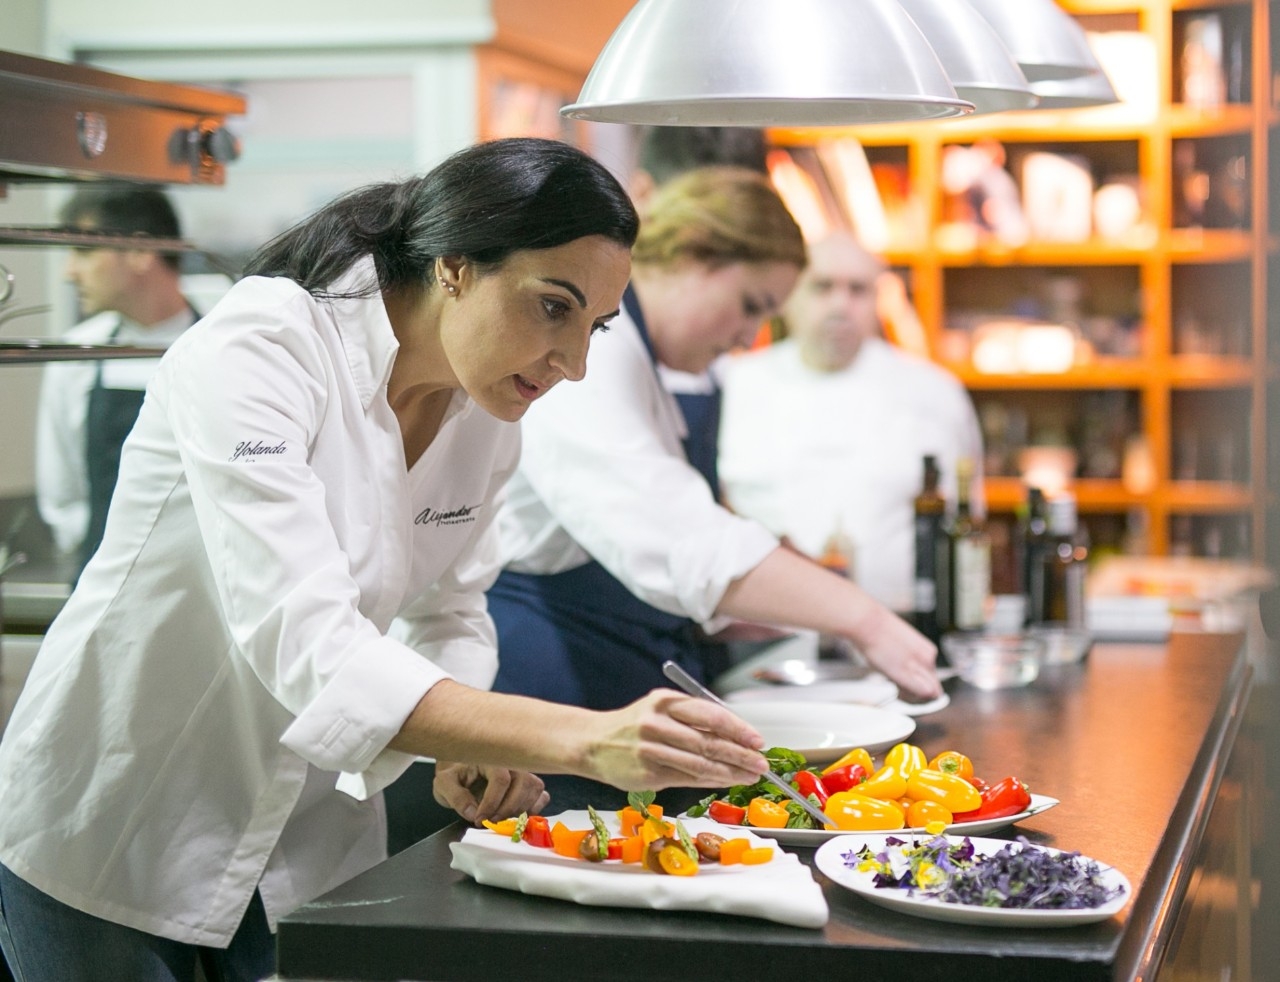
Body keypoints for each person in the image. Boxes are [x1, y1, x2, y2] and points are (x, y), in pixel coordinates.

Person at [0, 138, 771, 982]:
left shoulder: (488, 412)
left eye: (595, 327)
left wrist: (465, 743)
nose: (575, 365)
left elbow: (449, 609)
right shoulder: (262, 348)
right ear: (454, 264)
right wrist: (582, 739)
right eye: (554, 307)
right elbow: (312, 650)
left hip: (305, 839)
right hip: (121, 819)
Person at [484, 167, 941, 813]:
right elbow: (674, 538)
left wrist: (776, 602)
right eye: (752, 305)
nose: (750, 336)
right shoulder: (596, 358)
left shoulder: (653, 363)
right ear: (696, 258)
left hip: (612, 679)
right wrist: (865, 620)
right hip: (543, 691)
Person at [718, 231, 985, 616]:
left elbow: (965, 522)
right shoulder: (735, 385)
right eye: (822, 287)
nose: (841, 305)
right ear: (787, 295)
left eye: (858, 290)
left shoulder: (934, 392)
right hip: (759, 629)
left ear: (879, 299)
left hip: (902, 624)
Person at [34, 186, 206, 575]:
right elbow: (63, 495)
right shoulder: (77, 353)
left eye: (84, 251)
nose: (68, 271)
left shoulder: (223, 347)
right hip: (102, 581)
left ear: (140, 251)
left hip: (203, 589)